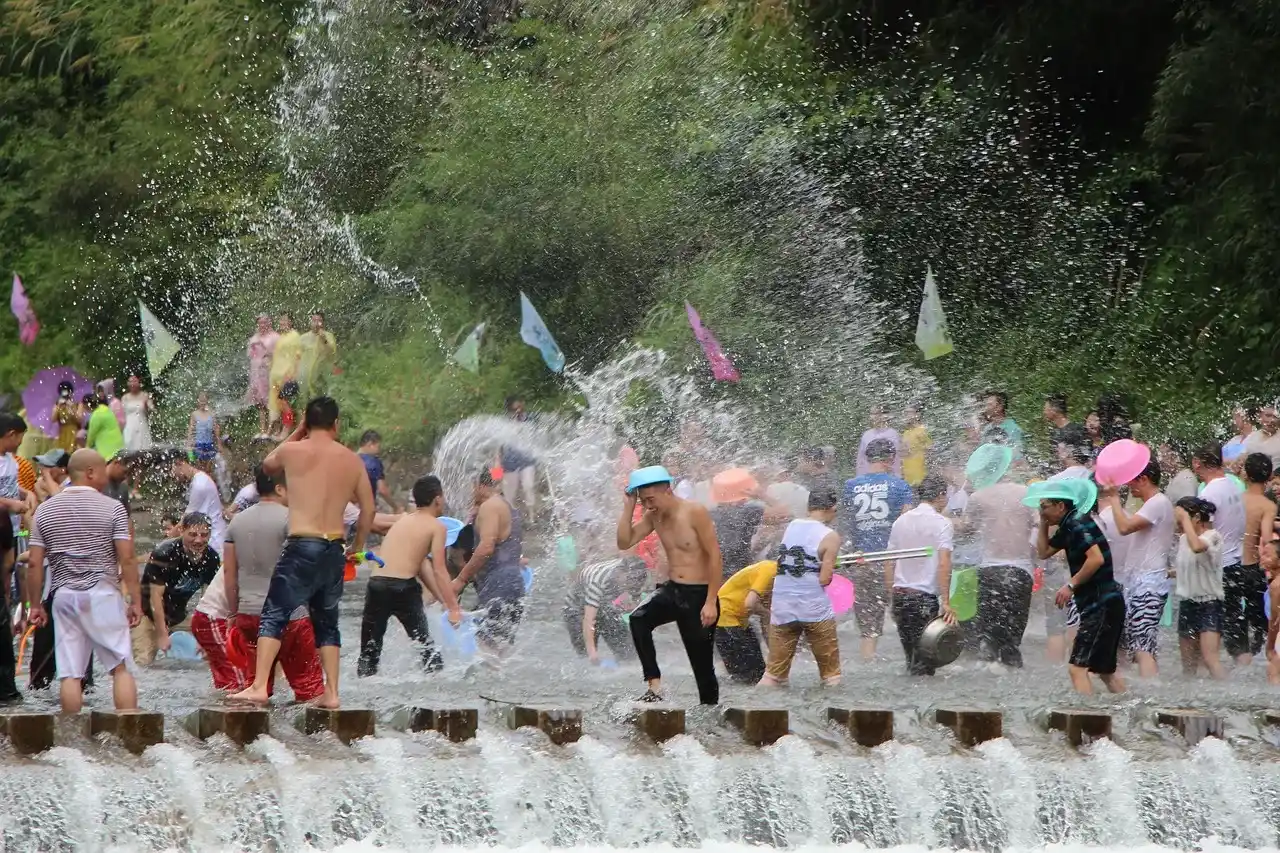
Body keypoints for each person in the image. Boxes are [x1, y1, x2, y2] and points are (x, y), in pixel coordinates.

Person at [231, 396, 374, 708]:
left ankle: (258, 686)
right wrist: (357, 548)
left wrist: (297, 432)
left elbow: (267, 466)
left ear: (308, 423)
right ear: (336, 424)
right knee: (327, 620)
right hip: (334, 547)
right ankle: (332, 693)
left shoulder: (293, 450)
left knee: (275, 613)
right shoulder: (352, 460)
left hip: (302, 543)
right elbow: (369, 509)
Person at [24, 450, 141, 714]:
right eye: (101, 470)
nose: (105, 475)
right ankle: (131, 734)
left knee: (70, 674)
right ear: (90, 472)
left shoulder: (45, 510)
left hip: (64, 595)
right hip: (103, 593)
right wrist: (135, 600)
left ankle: (71, 741)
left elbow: (34, 563)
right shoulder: (113, 508)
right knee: (120, 667)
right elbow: (128, 558)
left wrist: (35, 606)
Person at [194, 465, 323, 698]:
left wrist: (233, 615)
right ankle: (314, 734)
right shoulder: (293, 519)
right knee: (309, 687)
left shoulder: (237, 523)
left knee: (256, 687)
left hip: (249, 616)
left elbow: (230, 575)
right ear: (280, 488)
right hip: (290, 617)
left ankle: (256, 733)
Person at [617, 465, 721, 704]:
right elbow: (625, 542)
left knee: (702, 667)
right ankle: (655, 688)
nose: (648, 505)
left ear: (667, 490)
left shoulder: (694, 512)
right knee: (638, 619)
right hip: (673, 589)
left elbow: (715, 556)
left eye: (650, 499)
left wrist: (711, 601)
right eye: (643, 501)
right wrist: (629, 506)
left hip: (699, 594)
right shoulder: (654, 516)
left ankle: (710, 716)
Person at [358, 475, 463, 676]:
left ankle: (364, 692)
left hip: (376, 584)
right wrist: (454, 608)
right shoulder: (437, 526)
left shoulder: (403, 520)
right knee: (426, 647)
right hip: (402, 588)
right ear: (438, 499)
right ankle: (437, 687)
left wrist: (442, 600)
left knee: (370, 650)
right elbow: (439, 570)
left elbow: (422, 567)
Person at [1035, 480, 1125, 695]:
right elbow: (1043, 552)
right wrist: (1043, 522)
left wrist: (1070, 585)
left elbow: (1095, 559)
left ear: (1060, 506)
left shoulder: (1077, 524)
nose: (1042, 510)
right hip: (1106, 603)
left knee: (1077, 669)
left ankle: (1087, 719)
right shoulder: (1068, 526)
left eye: (1045, 506)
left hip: (1101, 604)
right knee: (1105, 671)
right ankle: (1130, 711)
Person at [759, 482, 843, 686]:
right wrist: (833, 567)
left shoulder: (792, 526)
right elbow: (824, 579)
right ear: (832, 508)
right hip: (814, 608)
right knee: (831, 676)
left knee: (773, 676)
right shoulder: (830, 536)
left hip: (783, 607)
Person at [839, 437, 913, 660]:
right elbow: (906, 523)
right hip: (892, 562)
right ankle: (914, 662)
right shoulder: (899, 486)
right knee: (905, 616)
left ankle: (867, 659)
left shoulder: (850, 486)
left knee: (869, 625)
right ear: (891, 459)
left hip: (862, 560)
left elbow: (844, 523)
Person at [962, 448, 1035, 668]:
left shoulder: (978, 496)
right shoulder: (1027, 493)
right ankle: (1014, 679)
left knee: (989, 635)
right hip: (1021, 570)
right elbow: (1040, 526)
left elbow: (967, 529)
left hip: (989, 570)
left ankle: (987, 679)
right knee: (1013, 639)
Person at [1103, 460, 1175, 678]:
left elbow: (1124, 528)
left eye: (1131, 481)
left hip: (1149, 585)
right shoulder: (1153, 504)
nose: (1128, 487)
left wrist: (1114, 499)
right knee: (1136, 644)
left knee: (1143, 646)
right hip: (1140, 583)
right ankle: (1134, 688)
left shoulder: (1157, 502)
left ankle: (1150, 695)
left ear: (1144, 479)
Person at [883, 475, 957, 676]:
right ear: (940, 496)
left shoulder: (900, 521)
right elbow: (944, 563)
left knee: (911, 659)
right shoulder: (942, 523)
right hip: (923, 598)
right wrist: (946, 601)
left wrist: (892, 598)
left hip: (900, 595)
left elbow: (889, 562)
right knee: (926, 662)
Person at [453, 470, 525, 657]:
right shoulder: (509, 507)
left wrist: (461, 580)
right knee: (500, 652)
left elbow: (486, 548)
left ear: (479, 485)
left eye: (472, 487)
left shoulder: (490, 507)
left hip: (499, 584)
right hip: (513, 583)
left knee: (484, 650)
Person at [1192, 443, 1251, 664]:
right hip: (1236, 562)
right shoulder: (1234, 486)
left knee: (1209, 627)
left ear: (1197, 463)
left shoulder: (1208, 492)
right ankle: (1245, 672)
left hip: (1217, 568)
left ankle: (1213, 677)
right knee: (1236, 626)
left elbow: (1202, 534)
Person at [136, 513, 220, 665]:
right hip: (148, 615)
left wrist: (206, 637)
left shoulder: (211, 559)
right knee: (143, 663)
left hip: (178, 617)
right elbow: (155, 597)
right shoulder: (164, 553)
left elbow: (209, 599)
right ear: (181, 530)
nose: (199, 540)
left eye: (204, 535)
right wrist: (162, 634)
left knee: (210, 654)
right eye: (193, 534)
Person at [1172, 496, 1227, 679]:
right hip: (1188, 603)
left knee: (1210, 659)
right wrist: (1168, 572)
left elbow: (1197, 547)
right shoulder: (1183, 540)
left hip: (1209, 604)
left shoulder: (1213, 536)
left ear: (1196, 518)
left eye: (1180, 519)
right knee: (1188, 666)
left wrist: (1185, 519)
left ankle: (1225, 694)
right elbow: (1188, 565)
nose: (1178, 524)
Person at [0, 413, 32, 703]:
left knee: (11, 576)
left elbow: (10, 486)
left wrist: (26, 492)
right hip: (2, 525)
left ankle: (10, 612)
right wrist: (12, 504)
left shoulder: (11, 461)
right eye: (20, 436)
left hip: (10, 530)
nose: (21, 442)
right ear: (10, 434)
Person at [565, 557, 648, 664]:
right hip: (577, 610)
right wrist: (592, 653)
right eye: (629, 581)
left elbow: (635, 603)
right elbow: (588, 619)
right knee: (586, 657)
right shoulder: (597, 581)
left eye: (635, 582)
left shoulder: (636, 575)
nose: (631, 585)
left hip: (605, 608)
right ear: (620, 572)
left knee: (629, 653)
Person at [1236, 452, 1275, 663]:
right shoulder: (1267, 506)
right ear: (1269, 476)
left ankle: (1238, 656)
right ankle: (1257, 656)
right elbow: (1267, 540)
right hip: (1252, 568)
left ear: (1245, 474)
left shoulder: (1236, 499)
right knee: (1258, 619)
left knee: (1233, 617)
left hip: (1231, 566)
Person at [714, 559, 777, 683]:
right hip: (724, 619)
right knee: (747, 675)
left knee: (759, 672)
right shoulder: (770, 570)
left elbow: (765, 620)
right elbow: (750, 603)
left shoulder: (774, 581)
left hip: (737, 621)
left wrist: (774, 654)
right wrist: (766, 612)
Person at [709, 468, 766, 580]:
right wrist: (763, 496)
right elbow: (785, 514)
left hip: (714, 571)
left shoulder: (710, 513)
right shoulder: (750, 510)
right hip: (741, 569)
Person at [172, 453, 228, 553]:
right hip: (212, 539)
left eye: (172, 471)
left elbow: (186, 519)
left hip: (213, 543)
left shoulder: (199, 484)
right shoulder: (200, 479)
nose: (174, 476)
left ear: (180, 463)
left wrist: (169, 537)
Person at [499, 396, 538, 515]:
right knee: (508, 495)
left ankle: (532, 515)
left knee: (528, 486)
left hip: (527, 461)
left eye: (519, 408)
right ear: (508, 410)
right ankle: (510, 519)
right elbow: (497, 451)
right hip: (509, 464)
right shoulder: (502, 425)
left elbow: (538, 439)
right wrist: (497, 473)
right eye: (514, 409)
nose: (517, 411)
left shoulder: (531, 420)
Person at [267, 314, 302, 440]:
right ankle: (280, 429)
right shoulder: (281, 337)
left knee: (285, 403)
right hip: (276, 376)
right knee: (278, 404)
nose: (282, 322)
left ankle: (287, 430)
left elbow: (298, 356)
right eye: (281, 320)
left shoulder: (295, 336)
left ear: (291, 322)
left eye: (285, 320)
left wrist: (293, 374)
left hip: (287, 376)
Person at [246, 314, 279, 438]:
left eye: (265, 322)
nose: (262, 325)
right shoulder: (254, 338)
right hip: (256, 373)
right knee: (260, 403)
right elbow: (250, 354)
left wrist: (269, 354)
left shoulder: (275, 337)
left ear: (269, 323)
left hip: (269, 372)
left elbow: (278, 353)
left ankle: (275, 429)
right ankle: (263, 429)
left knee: (272, 401)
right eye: (260, 323)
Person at [297, 311, 337, 403]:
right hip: (305, 378)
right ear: (310, 322)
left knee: (321, 405)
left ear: (323, 323)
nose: (316, 323)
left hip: (322, 378)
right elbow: (297, 357)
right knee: (305, 407)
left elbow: (332, 353)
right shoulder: (303, 338)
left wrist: (324, 339)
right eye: (314, 320)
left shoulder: (328, 336)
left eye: (319, 321)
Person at [358, 430, 400, 512]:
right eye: (378, 446)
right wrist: (396, 507)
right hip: (365, 510)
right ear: (370, 444)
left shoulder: (349, 458)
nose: (378, 451)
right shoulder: (374, 462)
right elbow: (382, 490)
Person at [855, 405, 902, 477]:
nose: (873, 417)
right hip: (869, 478)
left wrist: (897, 476)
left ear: (884, 416)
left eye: (876, 414)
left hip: (888, 477)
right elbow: (861, 459)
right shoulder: (866, 435)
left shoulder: (892, 434)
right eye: (871, 414)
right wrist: (859, 477)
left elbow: (897, 458)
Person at [86, 392, 125, 462]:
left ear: (87, 405)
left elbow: (91, 436)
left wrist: (86, 449)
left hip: (108, 450)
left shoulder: (96, 415)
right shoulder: (105, 409)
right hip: (119, 445)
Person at [121, 375, 154, 453]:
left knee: (143, 447)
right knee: (129, 447)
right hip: (129, 426)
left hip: (141, 425)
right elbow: (121, 414)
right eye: (130, 381)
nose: (133, 384)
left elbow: (151, 411)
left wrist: (146, 406)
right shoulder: (125, 397)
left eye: (135, 381)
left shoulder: (144, 395)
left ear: (139, 383)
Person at [900, 403, 931, 487]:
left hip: (921, 478)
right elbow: (904, 455)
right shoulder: (906, 432)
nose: (906, 415)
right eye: (905, 413)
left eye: (909, 412)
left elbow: (930, 452)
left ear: (918, 414)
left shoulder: (923, 430)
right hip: (907, 479)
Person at [1243, 402, 1280, 469]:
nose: (1272, 420)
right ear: (1260, 417)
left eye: (1275, 417)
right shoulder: (1252, 436)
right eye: (1268, 416)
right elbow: (1241, 459)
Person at [188, 391, 220, 464]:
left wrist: (219, 443)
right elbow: (191, 429)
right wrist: (189, 443)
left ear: (207, 401)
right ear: (197, 401)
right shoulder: (194, 414)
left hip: (210, 443)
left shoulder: (211, 413)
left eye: (204, 400)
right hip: (198, 444)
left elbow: (216, 429)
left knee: (209, 466)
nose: (202, 402)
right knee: (200, 465)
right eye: (201, 400)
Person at [52, 382, 79, 453]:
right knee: (61, 452)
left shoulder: (75, 404)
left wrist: (71, 408)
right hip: (62, 432)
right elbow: (53, 419)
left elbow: (79, 420)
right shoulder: (58, 404)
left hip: (72, 432)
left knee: (71, 452)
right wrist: (58, 407)